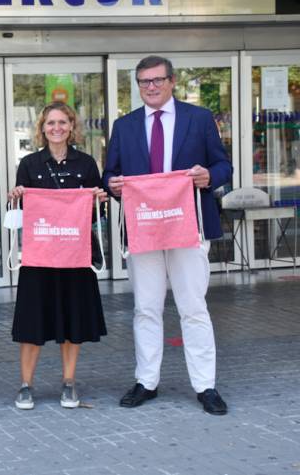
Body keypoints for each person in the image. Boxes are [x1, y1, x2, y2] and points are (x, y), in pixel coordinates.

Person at [103, 55, 233, 415]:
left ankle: (205, 385)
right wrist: (112, 185)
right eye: (144, 82)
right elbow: (110, 173)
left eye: (158, 80)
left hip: (188, 227)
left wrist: (209, 176)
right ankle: (147, 381)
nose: (152, 87)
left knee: (193, 308)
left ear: (172, 81)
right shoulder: (124, 126)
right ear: (138, 86)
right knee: (146, 308)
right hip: (144, 229)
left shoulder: (199, 118)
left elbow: (224, 165)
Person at [8, 102, 108, 410]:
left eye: (62, 122)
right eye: (50, 123)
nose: (56, 128)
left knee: (72, 321)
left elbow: (95, 214)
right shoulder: (29, 164)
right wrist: (16, 198)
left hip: (75, 255)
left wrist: (98, 199)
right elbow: (24, 212)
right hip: (39, 255)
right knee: (32, 321)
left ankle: (68, 382)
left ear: (71, 126)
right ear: (42, 128)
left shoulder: (87, 164)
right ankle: (25, 385)